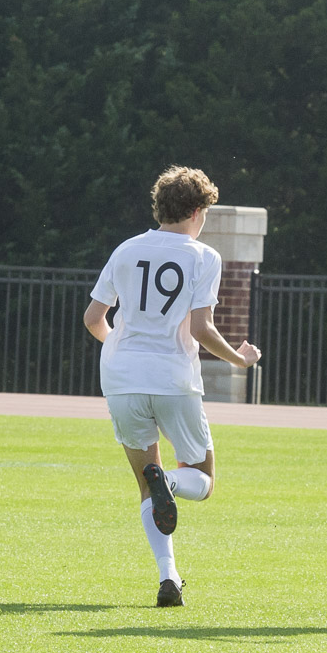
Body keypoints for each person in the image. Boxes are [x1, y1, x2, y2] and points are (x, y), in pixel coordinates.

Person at [83, 165, 261, 608]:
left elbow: (93, 319)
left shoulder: (126, 249)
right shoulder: (204, 256)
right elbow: (201, 330)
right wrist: (240, 358)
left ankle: (169, 576)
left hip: (121, 379)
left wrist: (123, 351)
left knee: (147, 485)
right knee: (202, 478)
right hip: (173, 379)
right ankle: (172, 485)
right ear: (198, 211)